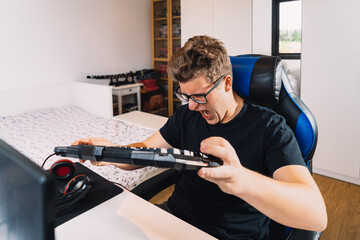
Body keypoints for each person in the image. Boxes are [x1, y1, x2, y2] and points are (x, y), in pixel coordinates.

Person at [73, 35, 327, 239]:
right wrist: (108, 152)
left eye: (200, 96)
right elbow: (144, 150)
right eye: (185, 96)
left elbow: (315, 215)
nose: (192, 106)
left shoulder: (270, 127)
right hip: (172, 219)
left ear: (227, 83)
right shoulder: (188, 115)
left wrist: (241, 180)